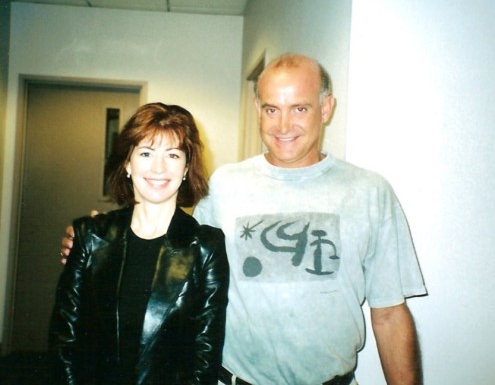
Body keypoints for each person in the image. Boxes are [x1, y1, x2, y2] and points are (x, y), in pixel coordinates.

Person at [61, 54, 426, 385]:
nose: (283, 125)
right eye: (271, 109)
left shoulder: (369, 192)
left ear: (326, 107)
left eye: (299, 108)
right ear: (257, 108)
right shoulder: (226, 184)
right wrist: (102, 238)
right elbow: (172, 242)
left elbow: (390, 315)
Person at [50, 102, 229, 385]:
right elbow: (64, 341)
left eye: (173, 155)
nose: (159, 168)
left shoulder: (207, 247)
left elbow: (205, 354)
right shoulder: (90, 235)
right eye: (146, 153)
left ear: (185, 168)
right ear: (127, 164)